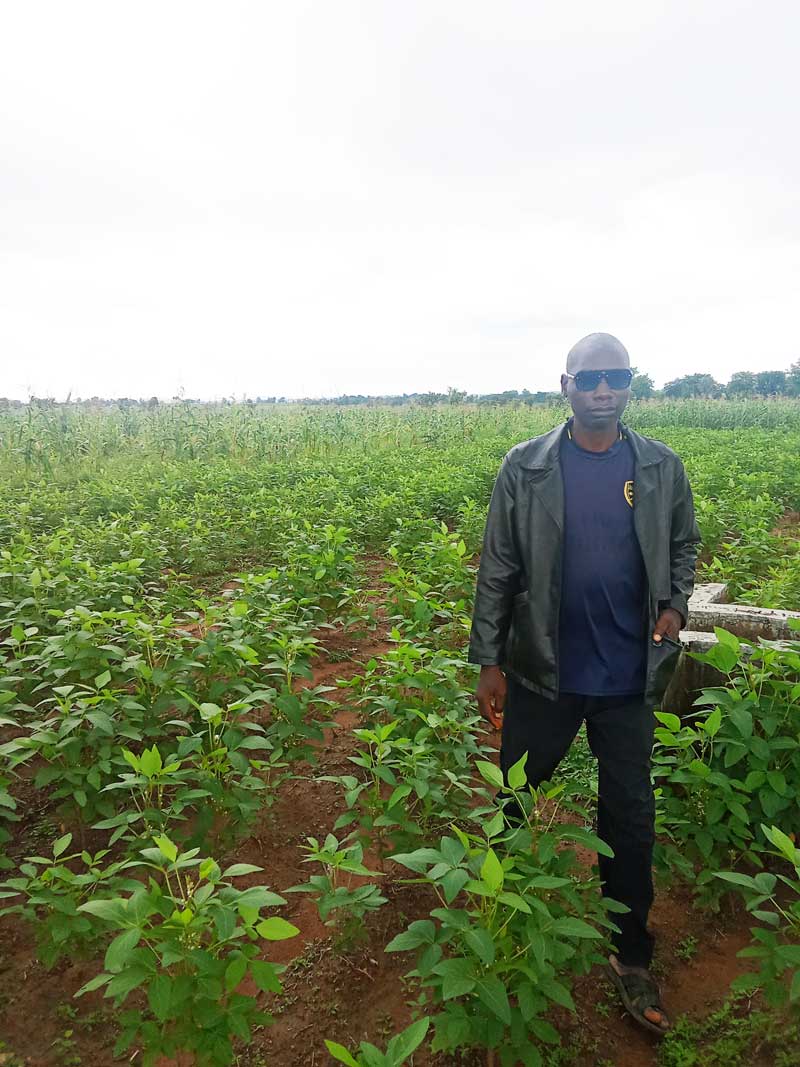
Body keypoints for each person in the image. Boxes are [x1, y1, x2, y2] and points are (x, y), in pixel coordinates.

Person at [468, 332, 700, 1036]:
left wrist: (675, 604)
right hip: (544, 672)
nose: (604, 388)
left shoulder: (660, 465)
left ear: (631, 385)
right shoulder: (528, 467)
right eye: (590, 376)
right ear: (564, 385)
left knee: (629, 818)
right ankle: (496, 926)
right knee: (514, 800)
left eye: (617, 376)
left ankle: (631, 954)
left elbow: (683, 543)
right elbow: (499, 565)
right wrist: (490, 659)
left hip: (629, 677)